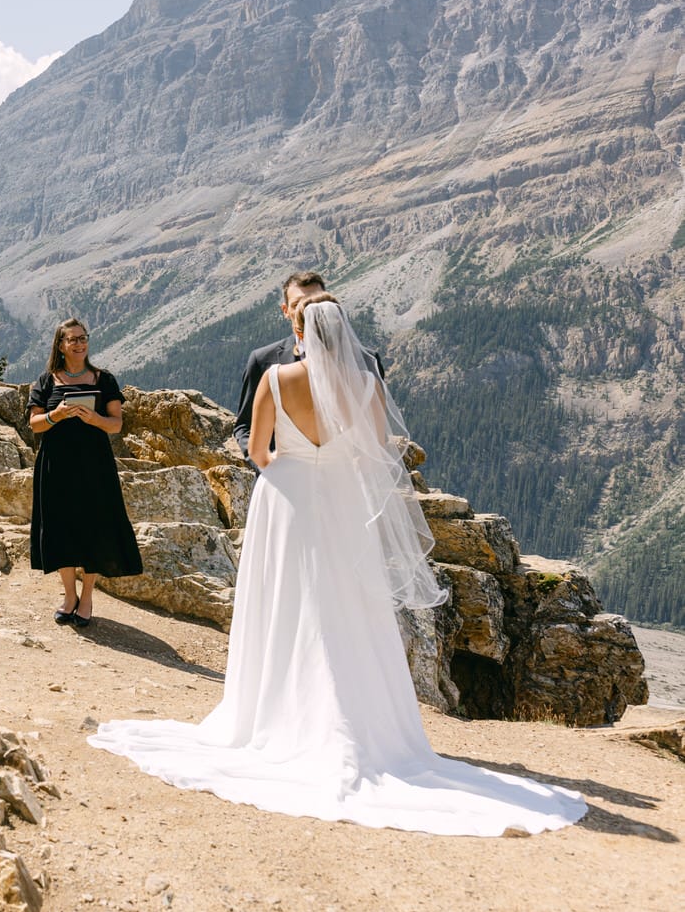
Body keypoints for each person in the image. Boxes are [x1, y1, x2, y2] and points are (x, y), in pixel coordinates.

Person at [89, 296, 587, 836]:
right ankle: (362, 723)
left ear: (297, 329)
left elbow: (256, 450)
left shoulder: (276, 379)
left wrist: (294, 462)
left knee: (285, 603)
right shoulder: (367, 385)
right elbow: (377, 452)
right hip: (342, 502)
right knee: (349, 605)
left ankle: (275, 715)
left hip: (286, 498)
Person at [27, 318, 142, 628]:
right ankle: (68, 595)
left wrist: (93, 419)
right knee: (60, 527)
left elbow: (116, 424)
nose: (79, 343)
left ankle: (87, 596)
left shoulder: (104, 380)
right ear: (60, 345)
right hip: (56, 465)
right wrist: (57, 414)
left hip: (94, 465)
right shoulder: (46, 381)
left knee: (94, 527)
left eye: (83, 338)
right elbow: (35, 424)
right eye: (72, 339)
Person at [232, 271, 383, 460]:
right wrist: (267, 470)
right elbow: (244, 426)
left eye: (314, 302)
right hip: (284, 477)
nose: (308, 309)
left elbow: (376, 433)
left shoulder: (367, 360)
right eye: (298, 304)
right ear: (286, 311)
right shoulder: (263, 360)